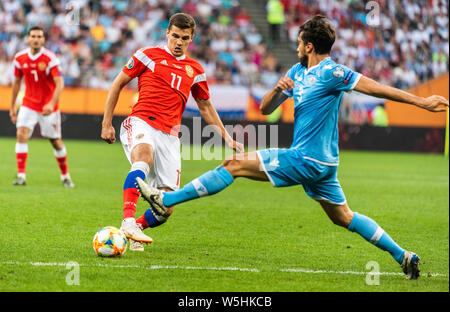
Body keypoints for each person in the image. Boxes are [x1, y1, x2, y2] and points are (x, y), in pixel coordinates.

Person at [136, 15, 449, 279]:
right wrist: (277, 89)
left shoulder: (333, 73)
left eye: (300, 42)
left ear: (309, 46)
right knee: (343, 216)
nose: (297, 46)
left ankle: (166, 199)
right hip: (324, 167)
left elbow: (378, 88)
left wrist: (422, 102)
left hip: (308, 158)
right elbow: (265, 109)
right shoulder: (297, 73)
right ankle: (403, 256)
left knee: (234, 165)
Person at [101, 13, 243, 251]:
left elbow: (206, 107)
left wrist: (227, 138)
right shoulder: (147, 55)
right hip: (141, 121)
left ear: (191, 38)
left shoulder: (195, 69)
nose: (178, 41)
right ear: (167, 33)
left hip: (170, 135)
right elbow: (117, 84)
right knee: (143, 157)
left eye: (184, 38)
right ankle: (127, 221)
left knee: (166, 207)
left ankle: (134, 231)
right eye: (175, 35)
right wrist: (106, 123)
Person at [10, 26, 74, 188]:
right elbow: (16, 83)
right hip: (28, 103)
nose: (36, 39)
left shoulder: (50, 58)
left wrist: (51, 103)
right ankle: (21, 176)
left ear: (43, 39)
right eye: (33, 36)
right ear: (28, 39)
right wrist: (12, 106)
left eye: (39, 36)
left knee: (55, 141)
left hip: (48, 106)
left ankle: (65, 176)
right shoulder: (19, 58)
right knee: (21, 134)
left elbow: (59, 84)